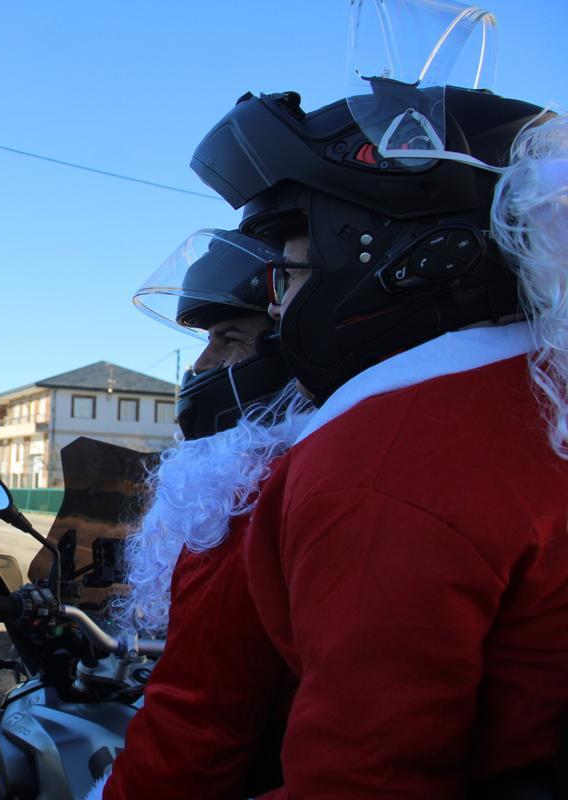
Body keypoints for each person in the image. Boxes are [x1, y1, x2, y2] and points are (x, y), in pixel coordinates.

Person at [187, 82, 568, 795]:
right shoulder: (535, 399)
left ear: (402, 250)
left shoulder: (388, 454)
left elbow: (359, 779)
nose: (278, 304)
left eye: (289, 266)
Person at [90, 230, 307, 799]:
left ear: (288, 346)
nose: (201, 365)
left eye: (228, 340)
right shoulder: (309, 463)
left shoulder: (252, 497)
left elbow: (197, 725)